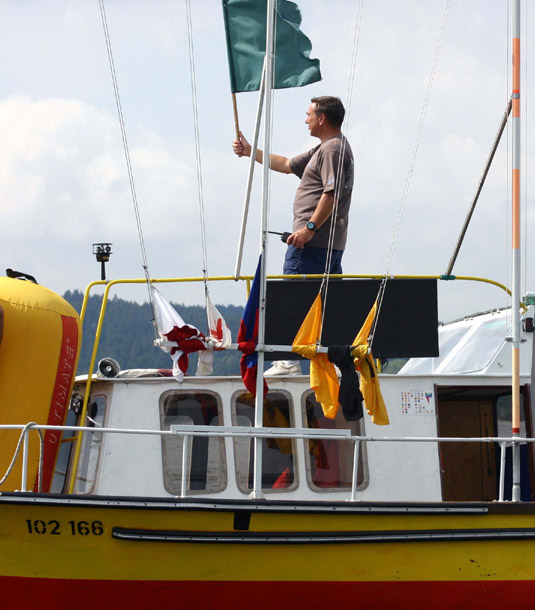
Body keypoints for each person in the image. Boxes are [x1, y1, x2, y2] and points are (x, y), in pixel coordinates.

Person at [232, 96, 354, 375]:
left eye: (309, 114)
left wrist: (309, 229)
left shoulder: (332, 150)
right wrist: (250, 151)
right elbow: (287, 164)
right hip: (326, 245)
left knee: (294, 300)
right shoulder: (327, 148)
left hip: (312, 245)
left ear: (322, 118)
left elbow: (331, 193)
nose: (306, 119)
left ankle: (288, 361)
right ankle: (331, 362)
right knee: (324, 305)